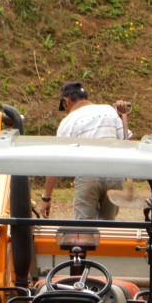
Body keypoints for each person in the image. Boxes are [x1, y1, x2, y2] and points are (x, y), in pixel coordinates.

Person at [40, 81, 132, 219]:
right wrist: (121, 116)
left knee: (83, 230)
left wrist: (46, 198)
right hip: (114, 175)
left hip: (88, 176)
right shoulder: (109, 110)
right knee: (108, 227)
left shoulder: (68, 122)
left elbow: (55, 162)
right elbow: (127, 141)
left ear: (66, 101)